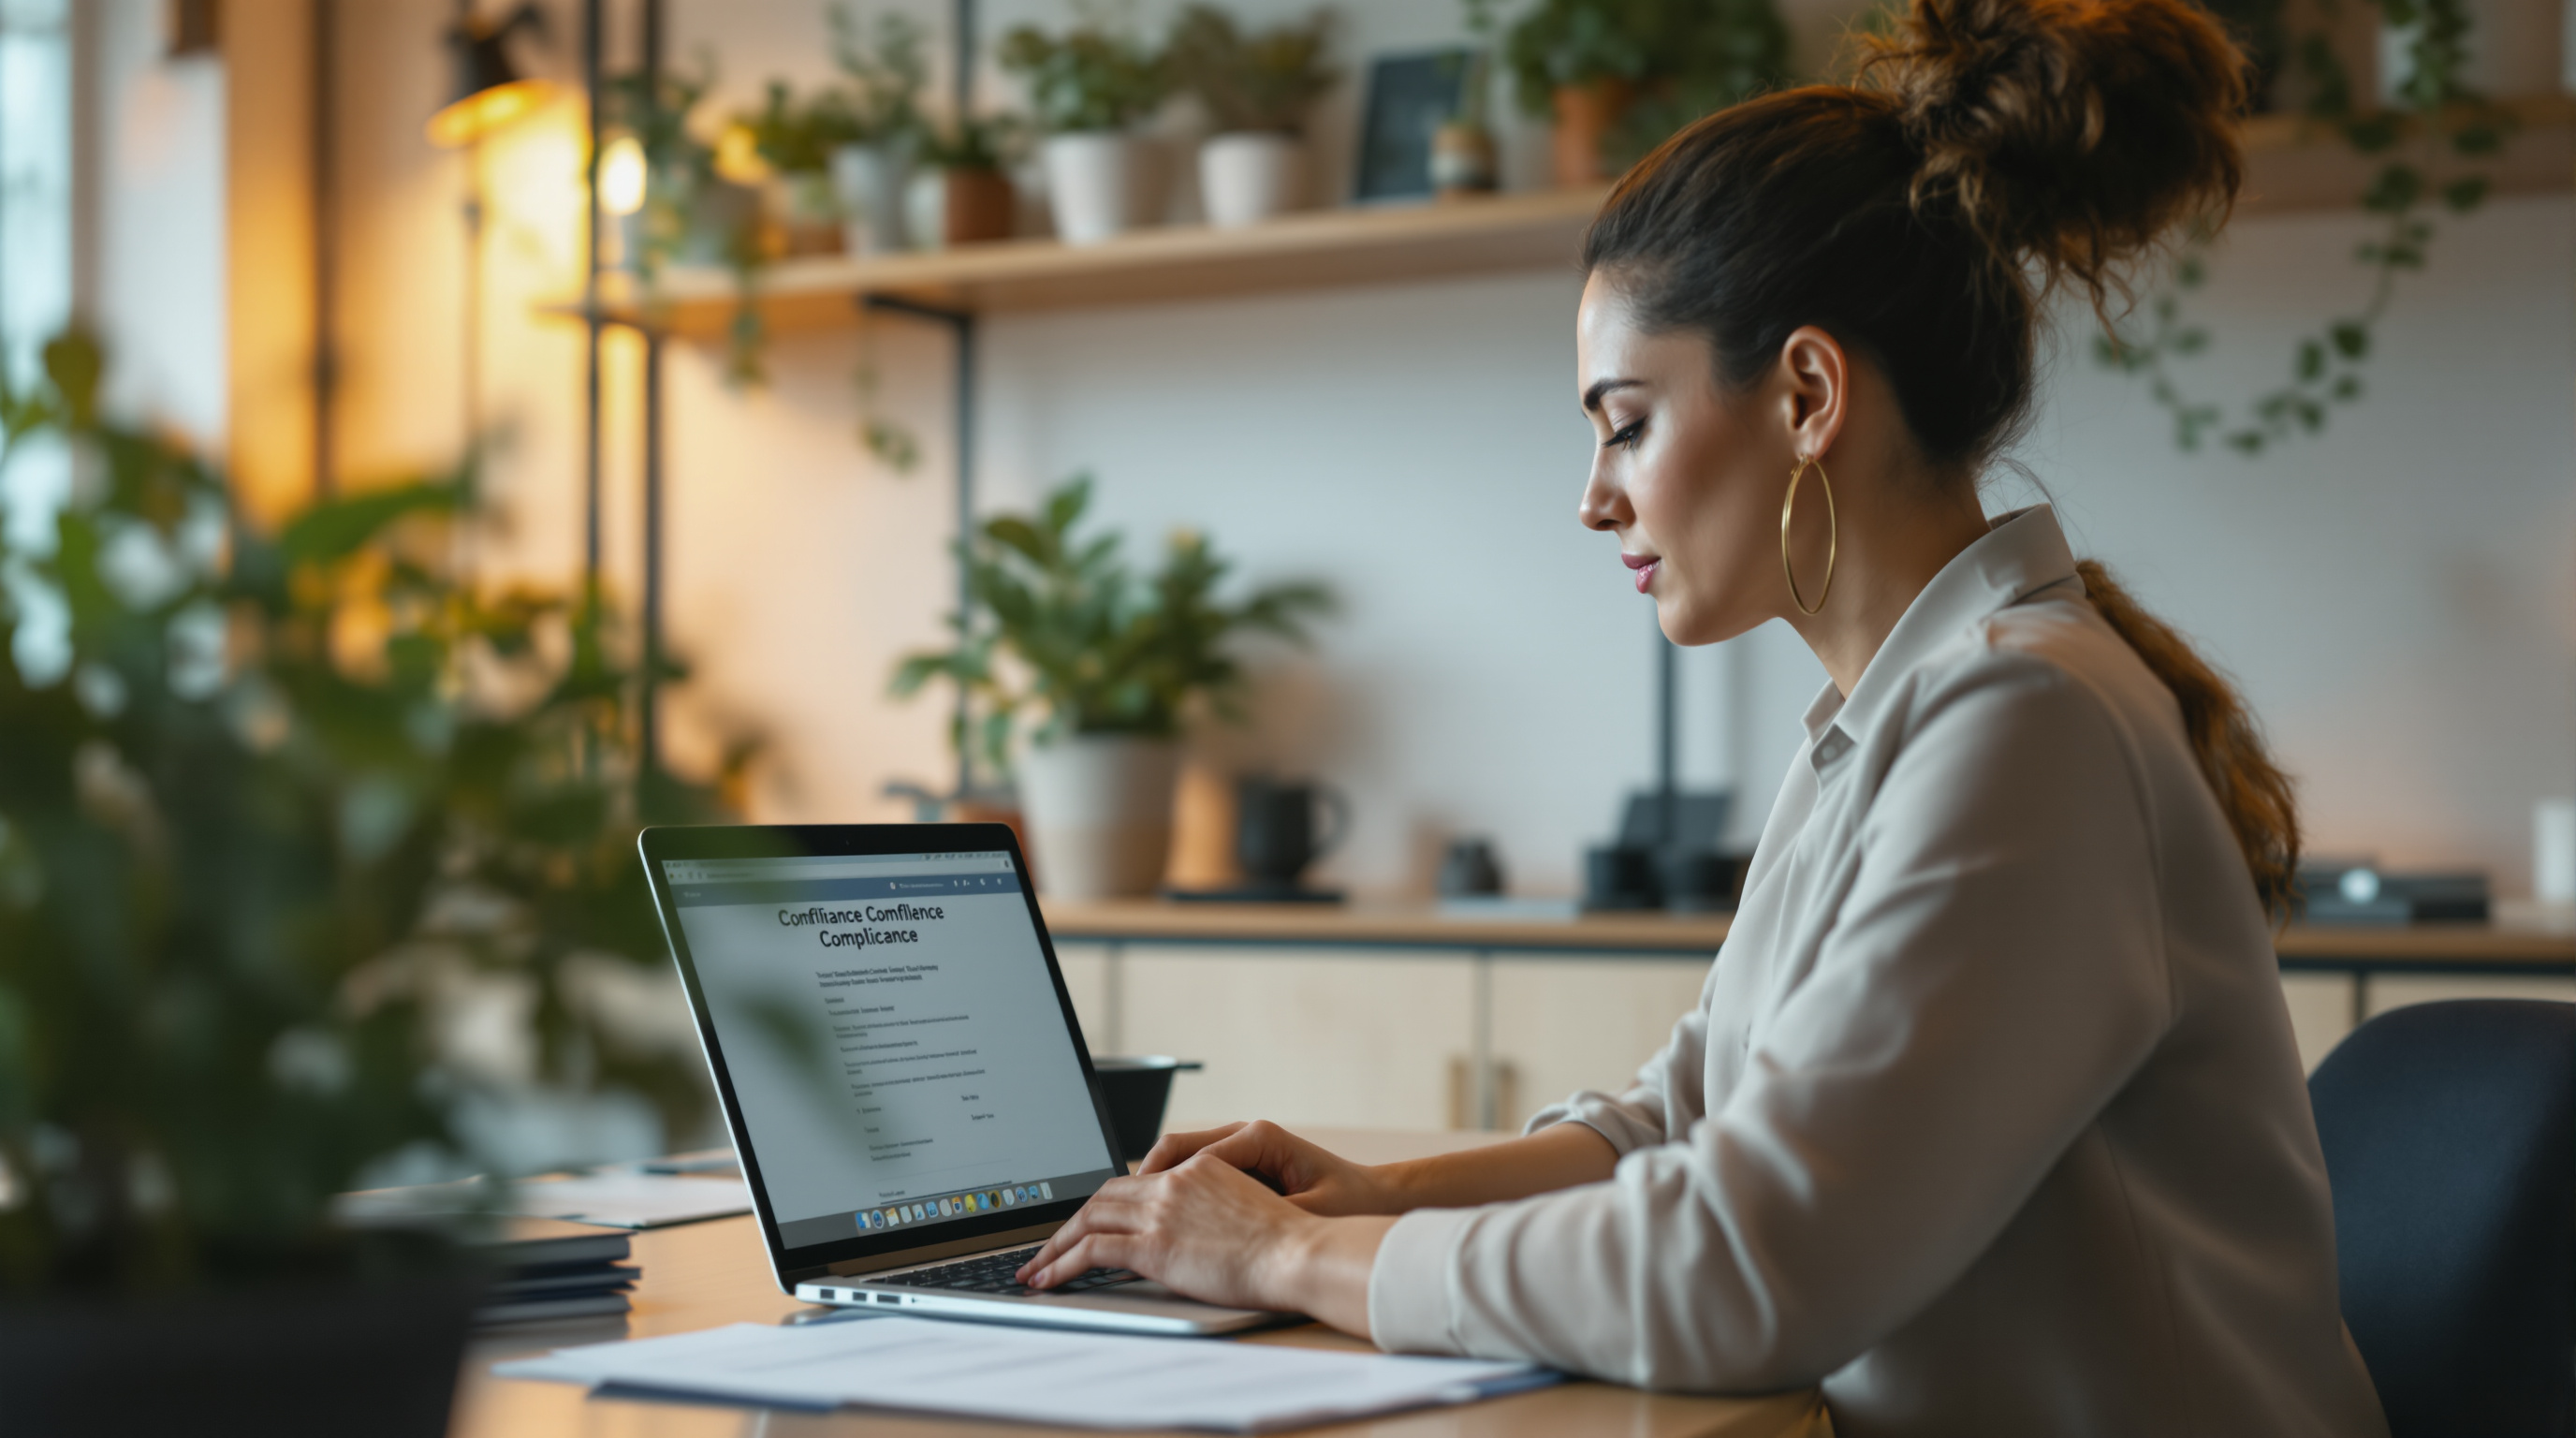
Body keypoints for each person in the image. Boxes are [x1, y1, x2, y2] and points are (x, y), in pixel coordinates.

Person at [1016, 0, 2389, 1430]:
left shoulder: (2025, 722)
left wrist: (1296, 1257)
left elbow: (1748, 1264)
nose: (1596, 495)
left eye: (1626, 420)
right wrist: (1366, 1195)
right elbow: (1681, 1122)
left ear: (1806, 393)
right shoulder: (1900, 715)